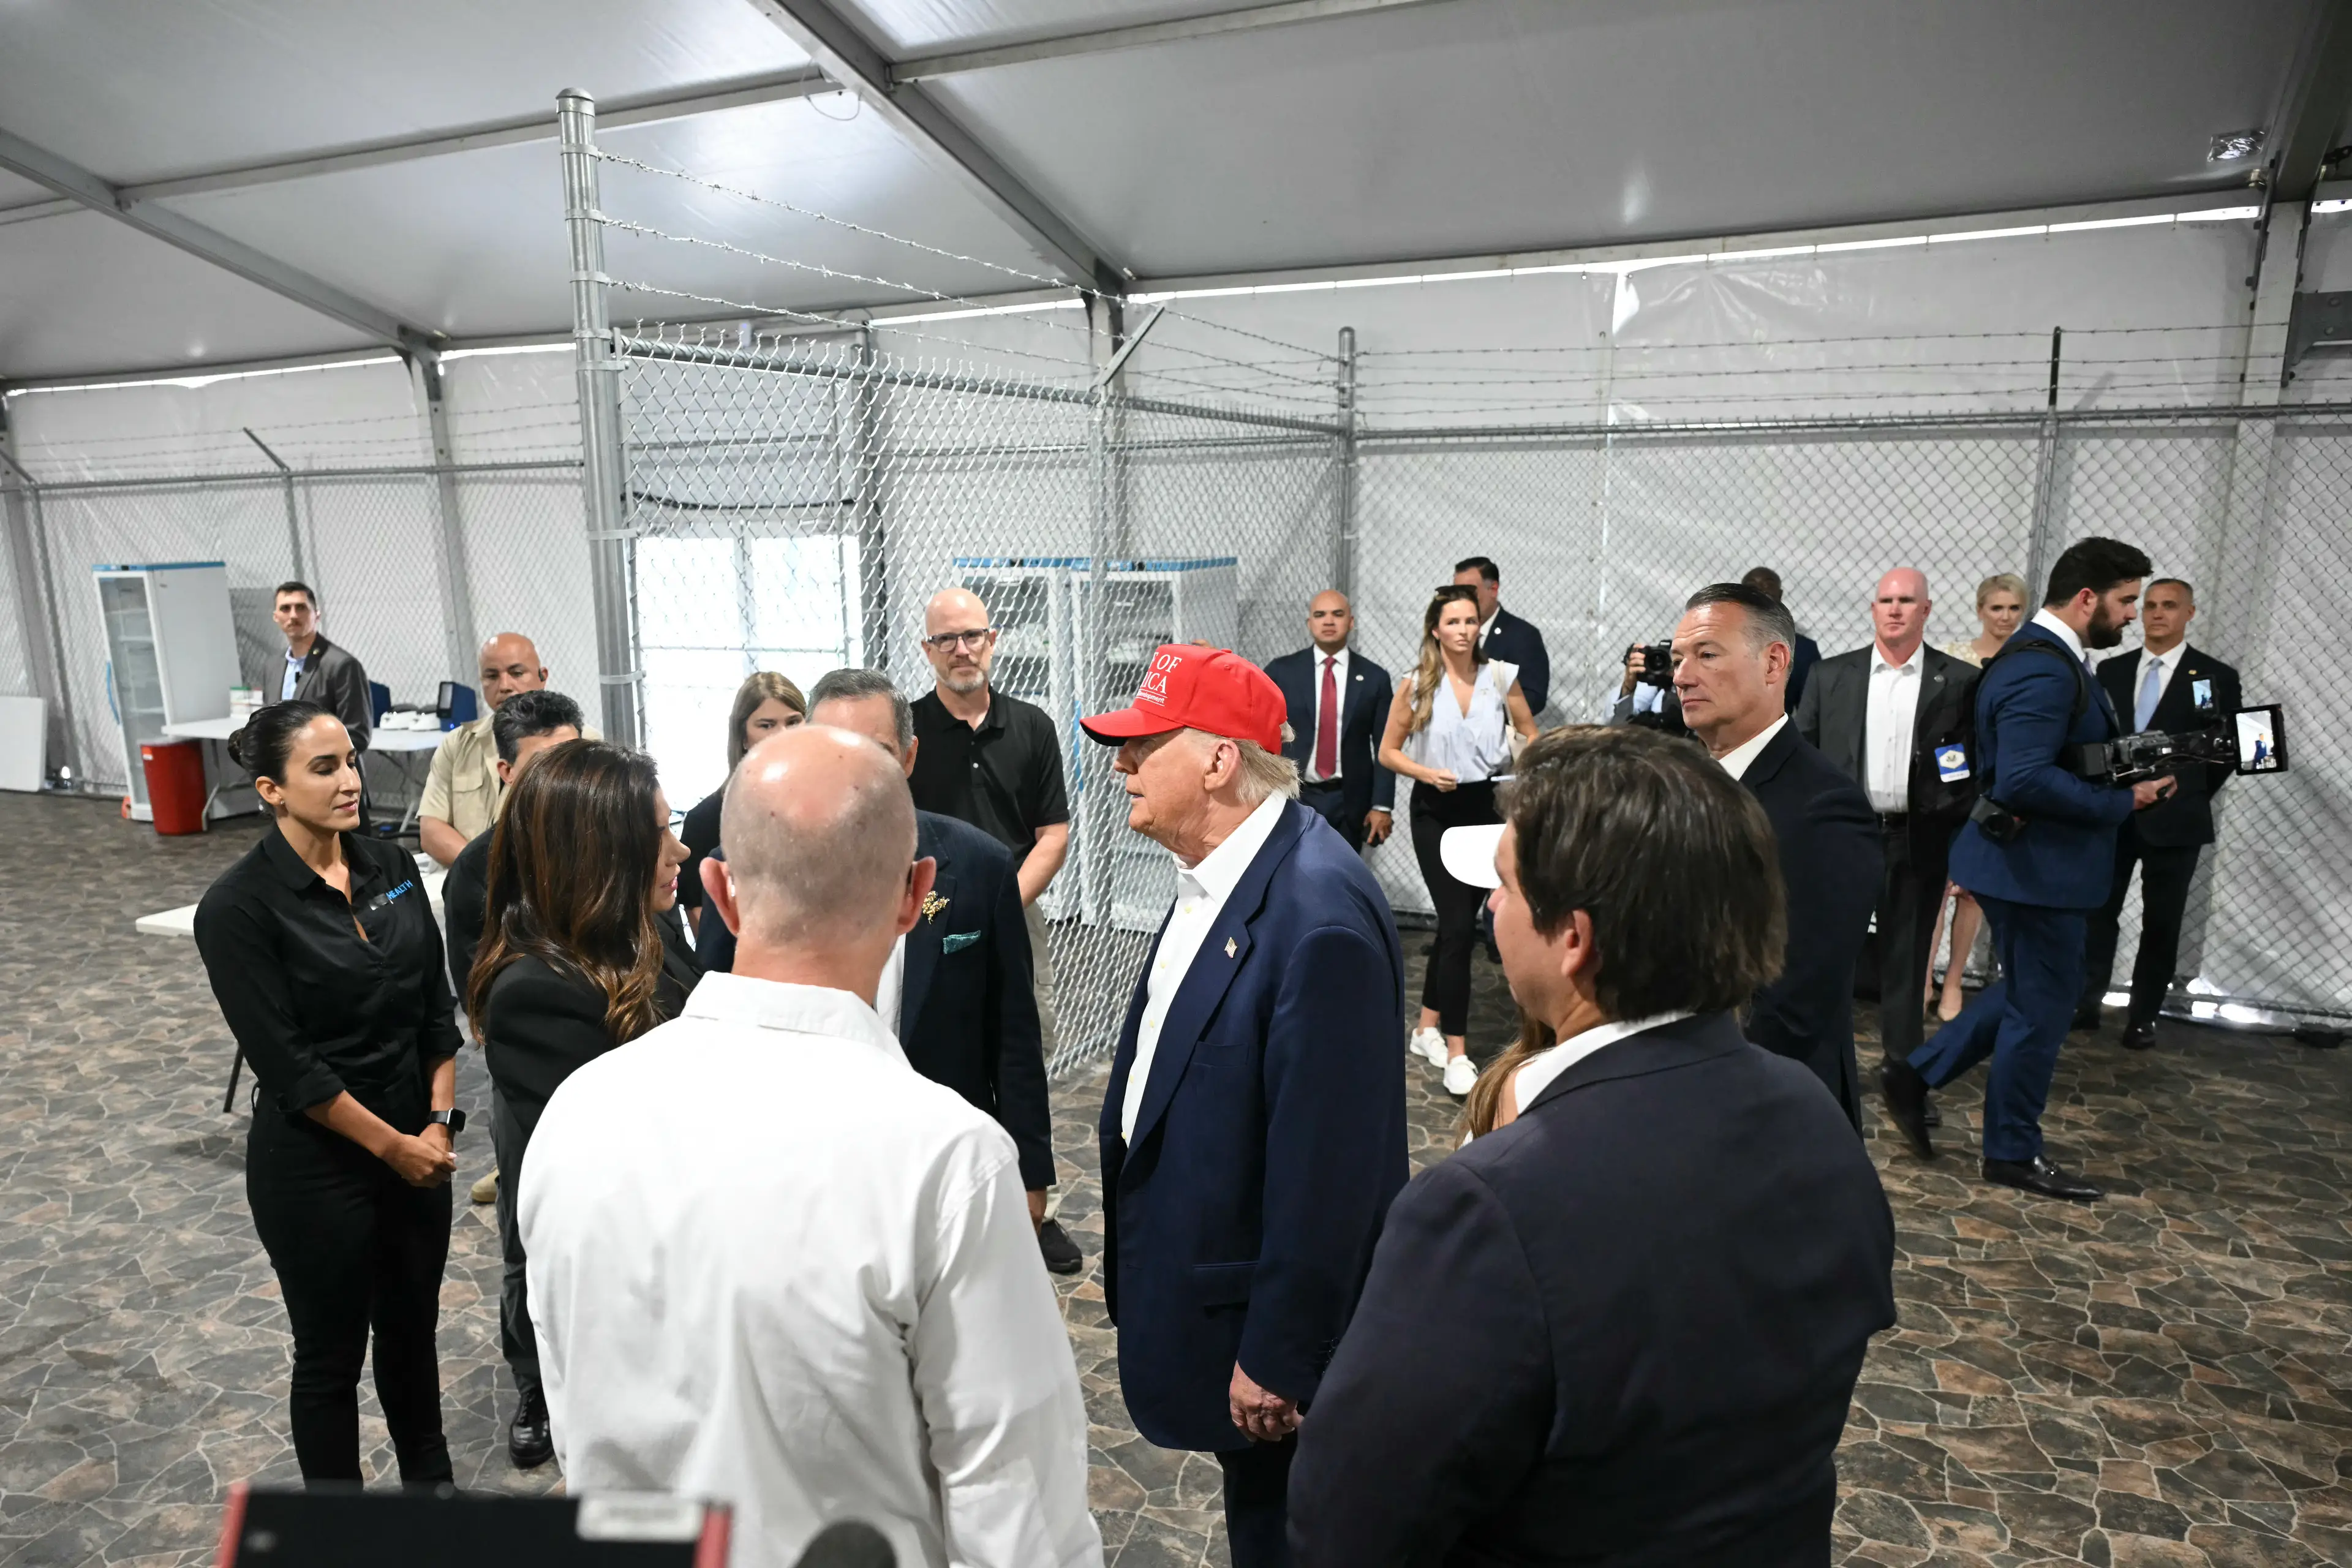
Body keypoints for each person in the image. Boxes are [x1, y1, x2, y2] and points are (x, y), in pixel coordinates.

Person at [1287, 726, 1896, 1566]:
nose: (1491, 907)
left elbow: (1350, 1518)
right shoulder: (1814, 1115)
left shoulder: (1489, 1207)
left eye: (1501, 884)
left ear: (1573, 939)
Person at [521, 725, 1100, 1568]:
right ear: (915, 896)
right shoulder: (948, 1162)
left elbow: (574, 1410)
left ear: (718, 891)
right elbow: (1016, 1504)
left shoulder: (578, 1112)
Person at [1082, 644, 1407, 1568]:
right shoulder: (1221, 877)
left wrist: (1282, 1350)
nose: (1121, 766)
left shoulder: (1317, 918)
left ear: (1221, 760)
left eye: (1144, 746)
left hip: (1266, 1357)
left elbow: (1331, 1171)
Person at [192, 701, 461, 1487]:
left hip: (419, 1144)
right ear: (271, 790)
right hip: (317, 1165)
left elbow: (433, 1011)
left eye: (351, 760)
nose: (351, 780)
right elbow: (291, 1067)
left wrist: (439, 1123)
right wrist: (395, 1147)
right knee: (330, 1357)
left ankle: (431, 1504)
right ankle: (338, 1532)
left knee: (413, 1336)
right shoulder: (238, 908)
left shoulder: (396, 868)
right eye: (325, 767)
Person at [1882, 538, 2175, 1202]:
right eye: (2127, 600)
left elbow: (2048, 760)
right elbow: (2022, 779)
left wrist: (2125, 772)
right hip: (2035, 871)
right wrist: (2122, 800)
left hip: (2028, 867)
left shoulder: (2046, 660)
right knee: (2040, 1011)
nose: (2133, 614)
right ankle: (2011, 1151)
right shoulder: (2045, 668)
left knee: (2030, 996)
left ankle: (1916, 1075)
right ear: (2087, 598)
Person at [467, 739, 696, 1470]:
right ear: (603, 851)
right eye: (659, 832)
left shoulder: (644, 928)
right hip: (633, 1300)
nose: (681, 850)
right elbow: (626, 1167)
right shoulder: (535, 993)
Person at [804, 668, 1072, 1277]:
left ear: (909, 754)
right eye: (830, 751)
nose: (849, 771)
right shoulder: (764, 873)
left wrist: (1032, 1172)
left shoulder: (979, 866)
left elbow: (1013, 1033)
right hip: (815, 1168)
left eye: (873, 752)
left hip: (946, 1169)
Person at [1672, 583, 1880, 1126]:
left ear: (1774, 663)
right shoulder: (1679, 784)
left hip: (1760, 1114)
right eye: (1678, 659)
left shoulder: (1825, 807)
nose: (1682, 676)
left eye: (1707, 654)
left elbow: (1795, 1005)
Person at [1794, 569, 1978, 1093]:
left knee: (1907, 961)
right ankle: (1814, 1070)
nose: (1895, 609)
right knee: (1828, 954)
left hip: (1918, 840)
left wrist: (1961, 842)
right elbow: (1803, 756)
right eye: (1886, 600)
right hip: (1844, 839)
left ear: (1927, 610)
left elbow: (1966, 768)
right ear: (1873, 609)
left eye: (1906, 601)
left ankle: (1903, 1073)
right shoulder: (1830, 677)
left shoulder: (1960, 681)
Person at [1380, 585, 1539, 1095]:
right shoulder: (1416, 685)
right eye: (1454, 622)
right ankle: (1457, 1051)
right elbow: (1388, 751)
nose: (1465, 629)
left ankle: (1426, 1024)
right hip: (1436, 811)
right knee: (1454, 925)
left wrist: (1516, 767)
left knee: (1458, 927)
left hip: (1487, 806)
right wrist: (1425, 773)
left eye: (1471, 621)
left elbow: (1531, 733)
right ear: (1436, 629)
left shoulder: (1500, 676)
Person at [907, 587, 1072, 1061]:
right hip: (929, 912)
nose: (962, 650)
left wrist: (999, 906)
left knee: (1025, 1043)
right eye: (947, 639)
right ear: (928, 649)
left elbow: (1053, 836)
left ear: (992, 640)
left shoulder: (1032, 726)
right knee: (936, 1042)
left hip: (1016, 909)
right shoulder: (908, 731)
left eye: (973, 636)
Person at [2076, 578, 2241, 1050]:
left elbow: (2223, 751)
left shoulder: (2213, 677)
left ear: (2190, 613)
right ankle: (2085, 1002)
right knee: (2096, 911)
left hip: (2175, 820)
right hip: (2111, 812)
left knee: (2162, 920)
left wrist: (2183, 790)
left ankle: (2143, 1016)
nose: (2157, 614)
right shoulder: (2111, 670)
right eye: (2149, 605)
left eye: (2170, 606)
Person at [439, 688, 588, 997]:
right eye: (544, 763)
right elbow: (480, 990)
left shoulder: (619, 835)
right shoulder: (476, 869)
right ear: (507, 772)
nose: (564, 775)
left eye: (574, 757)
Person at [1928, 573, 2028, 1019]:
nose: (2005, 617)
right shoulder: (1954, 659)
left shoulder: (2029, 660)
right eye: (1997, 608)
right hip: (1952, 786)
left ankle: (1954, 982)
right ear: (1980, 610)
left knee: (1973, 892)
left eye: (2013, 609)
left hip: (2001, 786)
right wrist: (1954, 784)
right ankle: (1922, 979)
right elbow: (1941, 730)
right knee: (1936, 888)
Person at [418, 632, 597, 869]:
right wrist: (483, 874)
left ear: (543, 677)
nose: (504, 686)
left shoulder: (582, 741)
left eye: (517, 673)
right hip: (465, 882)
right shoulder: (458, 744)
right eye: (491, 676)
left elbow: (588, 833)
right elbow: (431, 829)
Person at [1262, 589, 1396, 852]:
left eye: (1338, 614)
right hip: (1294, 795)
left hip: (1350, 802)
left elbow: (1385, 746)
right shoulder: (1282, 671)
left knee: (1340, 877)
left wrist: (1381, 805)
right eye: (1320, 615)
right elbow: (1257, 725)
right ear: (1309, 623)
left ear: (1352, 621)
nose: (1329, 621)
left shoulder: (1374, 677)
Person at [677, 671, 805, 946]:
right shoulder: (706, 822)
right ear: (743, 738)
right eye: (767, 725)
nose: (783, 736)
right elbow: (709, 938)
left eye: (794, 722)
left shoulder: (831, 808)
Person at [272, 581, 371, 751]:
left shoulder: (342, 665)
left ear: (317, 615)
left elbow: (357, 735)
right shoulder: (273, 666)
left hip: (329, 773)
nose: (293, 615)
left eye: (301, 608)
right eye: (285, 609)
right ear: (276, 616)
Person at [1452, 556, 1550, 715]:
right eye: (1457, 593)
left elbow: (1533, 697)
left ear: (1493, 589)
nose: (1463, 599)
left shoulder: (1522, 635)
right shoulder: (1450, 632)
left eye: (1470, 592)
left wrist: (1483, 712)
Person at [1741, 567, 1822, 713]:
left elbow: (1811, 709)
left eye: (1768, 585)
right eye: (1752, 586)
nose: (1760, 590)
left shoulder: (1802, 649)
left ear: (1779, 594)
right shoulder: (1716, 635)